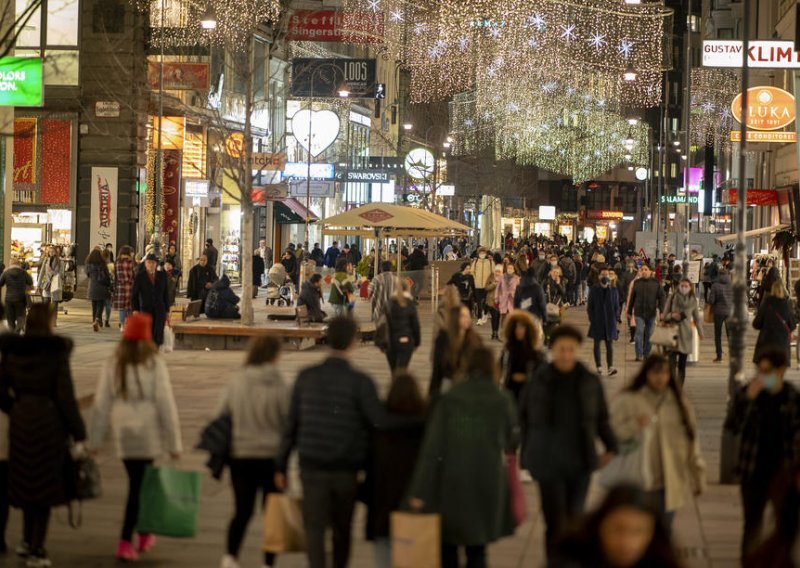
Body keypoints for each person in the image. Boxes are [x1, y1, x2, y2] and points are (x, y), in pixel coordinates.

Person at [275, 317, 417, 568]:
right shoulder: (361, 382)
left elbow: (292, 425)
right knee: (342, 528)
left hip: (311, 465)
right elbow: (379, 420)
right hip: (346, 468)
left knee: (315, 528)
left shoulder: (305, 377)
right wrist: (418, 420)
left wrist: (280, 465)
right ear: (354, 342)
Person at [408, 346, 517, 568]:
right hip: (487, 481)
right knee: (477, 549)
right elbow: (512, 440)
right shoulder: (502, 400)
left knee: (448, 548)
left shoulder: (450, 399)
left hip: (451, 482)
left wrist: (418, 491)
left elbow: (432, 448)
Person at [87, 312, 182, 561]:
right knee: (140, 486)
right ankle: (126, 540)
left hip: (124, 433)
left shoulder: (114, 363)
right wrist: (174, 444)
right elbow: (166, 405)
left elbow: (102, 404)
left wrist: (94, 441)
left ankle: (144, 533)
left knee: (140, 483)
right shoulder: (154, 363)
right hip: (148, 433)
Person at [518, 325, 617, 557]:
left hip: (579, 461)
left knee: (575, 518)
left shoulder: (589, 382)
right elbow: (523, 418)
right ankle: (554, 560)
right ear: (553, 350)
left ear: (577, 351)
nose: (566, 355)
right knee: (554, 521)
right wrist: (526, 452)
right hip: (547, 462)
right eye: (562, 349)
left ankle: (570, 561)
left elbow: (602, 419)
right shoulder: (539, 382)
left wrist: (612, 447)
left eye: (570, 349)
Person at [0, 304, 86, 567]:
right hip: (48, 423)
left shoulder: (15, 352)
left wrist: (16, 408)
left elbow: (2, 389)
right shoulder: (55, 353)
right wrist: (78, 431)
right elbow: (65, 396)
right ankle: (38, 548)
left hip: (22, 421)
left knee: (26, 482)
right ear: (47, 322)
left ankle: (26, 541)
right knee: (45, 486)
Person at [610, 355, 706, 530]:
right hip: (638, 481)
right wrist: (634, 425)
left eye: (664, 373)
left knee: (663, 532)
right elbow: (612, 432)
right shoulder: (630, 400)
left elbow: (691, 441)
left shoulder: (678, 403)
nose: (660, 377)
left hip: (669, 481)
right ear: (646, 374)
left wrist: (697, 476)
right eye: (655, 373)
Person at [216, 336, 288, 568]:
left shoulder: (237, 382)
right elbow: (289, 424)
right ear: (274, 356)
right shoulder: (281, 384)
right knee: (272, 514)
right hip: (271, 459)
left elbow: (220, 417)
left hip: (241, 455)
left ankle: (230, 557)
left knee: (242, 511)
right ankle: (269, 562)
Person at [726, 348, 800, 559]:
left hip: (783, 474)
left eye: (767, 371)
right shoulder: (749, 393)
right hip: (753, 472)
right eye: (760, 370)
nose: (762, 376)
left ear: (781, 371)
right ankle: (749, 561)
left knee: (787, 525)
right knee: (752, 524)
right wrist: (748, 399)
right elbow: (733, 426)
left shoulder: (792, 398)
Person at [366, 372, 426, 568]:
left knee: (383, 553)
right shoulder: (425, 427)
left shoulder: (380, 427)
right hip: (415, 501)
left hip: (383, 504)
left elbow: (368, 464)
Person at [549, 484, 683, 568]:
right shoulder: (570, 559)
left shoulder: (661, 560)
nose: (627, 543)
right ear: (600, 526)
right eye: (618, 529)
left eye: (639, 531)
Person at [429, 304, 481, 397]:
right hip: (448, 380)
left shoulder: (475, 339)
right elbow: (437, 368)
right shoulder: (443, 338)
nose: (467, 319)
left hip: (468, 384)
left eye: (468, 316)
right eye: (463, 316)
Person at [499, 310, 544, 404]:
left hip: (531, 396)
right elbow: (499, 369)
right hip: (509, 393)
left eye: (521, 327)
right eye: (515, 327)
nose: (518, 330)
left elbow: (543, 375)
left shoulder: (535, 352)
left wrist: (526, 377)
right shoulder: (507, 349)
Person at [753, 279, 796, 364]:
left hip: (767, 344)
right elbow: (792, 325)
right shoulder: (787, 305)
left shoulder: (766, 303)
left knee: (768, 370)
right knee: (779, 371)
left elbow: (756, 324)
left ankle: (770, 377)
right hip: (782, 345)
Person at [627, 265, 665, 361]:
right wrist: (629, 311)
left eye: (646, 269)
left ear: (650, 271)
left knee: (650, 334)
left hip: (651, 313)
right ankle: (639, 355)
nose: (643, 271)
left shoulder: (656, 283)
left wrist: (662, 311)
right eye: (642, 269)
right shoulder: (637, 283)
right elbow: (632, 298)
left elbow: (662, 297)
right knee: (639, 333)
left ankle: (646, 354)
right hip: (639, 312)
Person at [587, 266, 620, 376]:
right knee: (597, 344)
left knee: (609, 345)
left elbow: (616, 306)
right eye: (603, 274)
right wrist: (593, 319)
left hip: (610, 322)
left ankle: (610, 366)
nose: (605, 276)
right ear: (599, 276)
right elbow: (590, 307)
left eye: (607, 275)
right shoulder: (594, 289)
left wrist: (615, 319)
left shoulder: (614, 290)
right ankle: (599, 366)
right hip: (598, 321)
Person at [131, 254, 170, 346]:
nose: (151, 265)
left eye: (153, 263)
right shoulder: (140, 276)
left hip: (159, 308)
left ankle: (156, 349)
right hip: (145, 308)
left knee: (158, 331)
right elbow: (134, 295)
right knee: (147, 331)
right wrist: (135, 309)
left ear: (156, 264)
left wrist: (167, 310)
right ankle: (147, 351)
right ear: (145, 264)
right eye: (148, 263)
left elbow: (166, 294)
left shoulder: (162, 276)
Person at [385, 279, 421, 371]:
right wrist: (417, 342)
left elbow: (383, 322)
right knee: (402, 369)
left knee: (393, 371)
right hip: (406, 340)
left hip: (390, 341)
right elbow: (415, 325)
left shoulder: (389, 303)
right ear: (408, 288)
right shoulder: (410, 304)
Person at [708, 268, 734, 363]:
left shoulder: (715, 285)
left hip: (718, 312)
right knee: (730, 335)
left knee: (718, 335)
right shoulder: (732, 285)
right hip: (730, 312)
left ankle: (719, 356)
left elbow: (711, 301)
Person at [0, 260, 33, 333]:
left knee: (10, 319)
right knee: (20, 315)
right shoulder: (23, 272)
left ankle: (12, 334)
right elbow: (30, 282)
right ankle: (18, 327)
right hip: (21, 298)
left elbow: (0, 282)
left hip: (9, 299)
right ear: (19, 265)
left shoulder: (6, 272)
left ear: (10, 264)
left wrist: (4, 273)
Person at [86, 248, 113, 332]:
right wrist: (109, 285)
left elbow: (88, 275)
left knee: (94, 306)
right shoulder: (103, 264)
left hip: (92, 287)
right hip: (102, 288)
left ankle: (95, 321)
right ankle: (98, 319)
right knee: (100, 305)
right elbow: (107, 276)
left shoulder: (88, 265)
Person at [113, 246, 136, 329]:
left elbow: (117, 275)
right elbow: (132, 275)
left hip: (120, 287)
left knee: (122, 308)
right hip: (130, 287)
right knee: (130, 307)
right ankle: (129, 324)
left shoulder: (117, 262)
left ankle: (122, 325)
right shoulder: (130, 262)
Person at [37, 246, 64, 317]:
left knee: (55, 304)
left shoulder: (60, 262)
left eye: (53, 251)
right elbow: (41, 273)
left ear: (56, 252)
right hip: (47, 284)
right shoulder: (46, 260)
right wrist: (38, 284)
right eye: (49, 252)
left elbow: (61, 275)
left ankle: (54, 320)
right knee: (46, 302)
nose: (51, 253)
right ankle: (46, 319)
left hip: (56, 284)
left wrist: (51, 271)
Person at [496, 263, 520, 339]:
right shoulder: (502, 277)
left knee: (511, 318)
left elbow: (519, 290)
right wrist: (496, 298)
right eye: (508, 268)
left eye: (511, 268)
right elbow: (498, 288)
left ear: (514, 269)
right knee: (503, 317)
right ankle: (502, 333)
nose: (509, 269)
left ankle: (510, 334)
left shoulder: (517, 278)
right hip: (503, 299)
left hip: (512, 300)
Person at [471, 247, 494, 325]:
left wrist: (490, 281)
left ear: (486, 253)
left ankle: (485, 314)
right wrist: (475, 279)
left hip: (486, 285)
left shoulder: (490, 261)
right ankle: (479, 318)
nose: (482, 254)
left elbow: (493, 272)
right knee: (479, 302)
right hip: (478, 285)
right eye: (481, 253)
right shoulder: (476, 261)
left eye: (484, 253)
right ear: (478, 253)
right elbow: (472, 271)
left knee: (486, 302)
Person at [484, 265, 502, 341]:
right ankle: (494, 333)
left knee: (498, 318)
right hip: (491, 301)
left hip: (500, 301)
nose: (497, 273)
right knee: (494, 317)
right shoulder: (491, 277)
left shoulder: (503, 278)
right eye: (496, 271)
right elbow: (486, 288)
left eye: (499, 271)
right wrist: (493, 284)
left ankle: (496, 333)